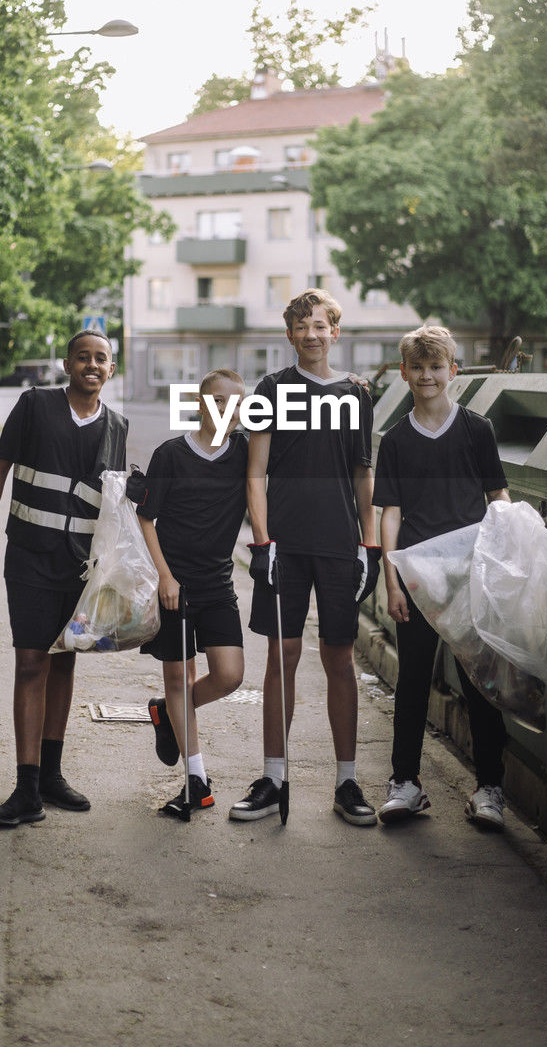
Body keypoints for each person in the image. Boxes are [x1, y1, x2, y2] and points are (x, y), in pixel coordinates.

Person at [229, 288, 381, 827]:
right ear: (289, 335)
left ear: (335, 332)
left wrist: (371, 545)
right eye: (302, 326)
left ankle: (347, 782)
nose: (312, 334)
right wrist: (262, 542)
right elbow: (255, 473)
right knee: (282, 657)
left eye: (322, 325)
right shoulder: (272, 389)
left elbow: (364, 475)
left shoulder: (356, 395)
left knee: (339, 660)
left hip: (340, 546)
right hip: (284, 548)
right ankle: (273, 777)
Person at [0, 330, 127, 827]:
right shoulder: (34, 406)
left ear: (111, 370)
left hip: (81, 564)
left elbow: (115, 503)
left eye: (101, 359)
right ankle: (27, 787)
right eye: (83, 357)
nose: (91, 365)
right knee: (31, 663)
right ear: (67, 364)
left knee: (64, 661)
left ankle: (52, 777)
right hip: (31, 558)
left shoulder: (118, 427)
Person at [374, 323, 511, 829]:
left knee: (480, 682)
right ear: (406, 373)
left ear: (453, 371)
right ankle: (405, 785)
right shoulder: (396, 440)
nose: (428, 375)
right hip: (416, 576)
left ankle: (490, 789)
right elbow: (389, 513)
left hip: (470, 574)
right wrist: (392, 580)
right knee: (412, 681)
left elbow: (498, 500)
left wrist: (507, 559)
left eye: (437, 366)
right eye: (418, 367)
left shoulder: (477, 430)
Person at [134, 370, 248, 818]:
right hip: (175, 583)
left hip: (218, 582)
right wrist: (164, 576)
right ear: (199, 404)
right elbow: (147, 518)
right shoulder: (172, 455)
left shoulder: (245, 453)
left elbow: (302, 424)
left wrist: (349, 386)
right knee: (179, 676)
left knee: (230, 675)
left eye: (236, 404)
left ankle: (166, 713)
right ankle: (195, 780)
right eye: (217, 401)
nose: (226, 410)